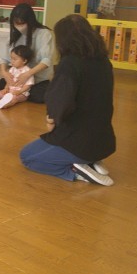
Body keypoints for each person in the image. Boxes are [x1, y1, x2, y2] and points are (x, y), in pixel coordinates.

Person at [20, 15, 116, 186]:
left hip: (78, 141)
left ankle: (76, 171)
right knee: (38, 149)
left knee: (27, 157)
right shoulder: (103, 61)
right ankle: (90, 161)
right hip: (104, 140)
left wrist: (51, 120)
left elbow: (60, 101)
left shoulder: (69, 64)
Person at [0, 3, 53, 103]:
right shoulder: (15, 35)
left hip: (37, 79)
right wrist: (5, 73)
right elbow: (4, 59)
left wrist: (28, 74)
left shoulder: (43, 34)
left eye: (22, 23)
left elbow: (46, 61)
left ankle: (19, 94)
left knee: (39, 97)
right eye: (16, 23)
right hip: (16, 80)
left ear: (30, 21)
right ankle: (18, 94)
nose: (19, 27)